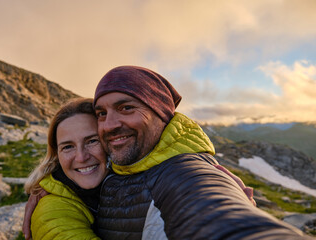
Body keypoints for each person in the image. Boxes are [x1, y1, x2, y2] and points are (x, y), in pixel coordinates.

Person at [24, 66, 311, 239]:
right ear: (55, 155)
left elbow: (215, 213)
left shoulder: (179, 173)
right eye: (101, 113)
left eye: (127, 108)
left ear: (161, 116)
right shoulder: (54, 204)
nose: (110, 125)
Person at [24, 98, 108, 239]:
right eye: (68, 147)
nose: (81, 157)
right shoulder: (52, 211)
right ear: (57, 155)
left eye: (92, 141)